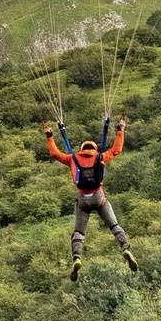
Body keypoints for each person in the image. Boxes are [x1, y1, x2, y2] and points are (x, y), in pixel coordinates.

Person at [43, 118, 137, 281]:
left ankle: (77, 258)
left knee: (79, 232)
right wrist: (120, 129)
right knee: (114, 225)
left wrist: (50, 136)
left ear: (81, 149)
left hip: (83, 200)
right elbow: (116, 150)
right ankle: (125, 248)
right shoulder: (100, 156)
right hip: (99, 197)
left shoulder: (72, 158)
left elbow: (54, 153)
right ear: (94, 148)